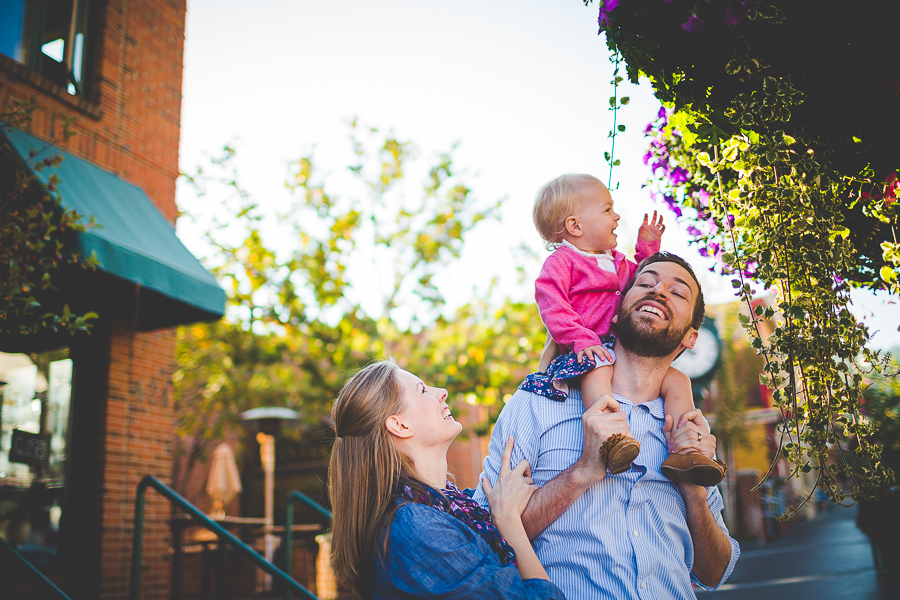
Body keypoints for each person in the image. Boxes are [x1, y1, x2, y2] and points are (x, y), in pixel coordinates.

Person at [474, 252, 740, 599]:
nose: (658, 290)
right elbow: (486, 539)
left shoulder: (688, 435)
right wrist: (583, 470)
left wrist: (695, 492)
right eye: (644, 283)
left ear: (691, 337)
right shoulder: (537, 403)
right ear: (614, 311)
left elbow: (714, 572)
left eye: (677, 292)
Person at [527, 173, 725, 483]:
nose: (616, 216)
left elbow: (641, 280)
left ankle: (687, 452)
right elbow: (551, 303)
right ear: (576, 226)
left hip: (617, 346)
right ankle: (611, 438)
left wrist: (647, 247)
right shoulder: (563, 262)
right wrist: (581, 340)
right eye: (607, 210)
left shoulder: (614, 261)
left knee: (679, 382)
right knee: (599, 367)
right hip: (588, 348)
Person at [328, 359, 566, 600]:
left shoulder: (456, 507)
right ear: (399, 425)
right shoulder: (415, 528)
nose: (442, 392)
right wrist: (509, 522)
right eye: (422, 390)